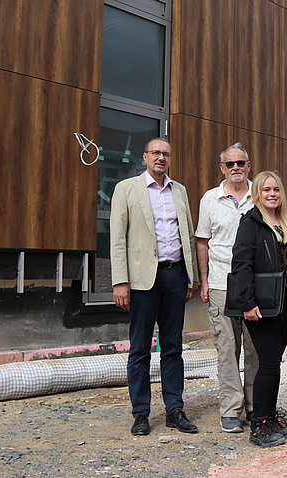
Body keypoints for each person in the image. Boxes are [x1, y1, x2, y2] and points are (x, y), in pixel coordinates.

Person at [110, 137, 199, 436]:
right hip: (142, 281)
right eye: (156, 153)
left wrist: (191, 276)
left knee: (173, 347)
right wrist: (120, 281)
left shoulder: (179, 191)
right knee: (139, 349)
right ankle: (141, 414)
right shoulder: (126, 189)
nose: (161, 158)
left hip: (175, 276)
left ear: (170, 159)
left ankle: (175, 410)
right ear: (145, 157)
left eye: (166, 154)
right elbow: (117, 238)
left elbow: (187, 235)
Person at [230, 171, 287, 448]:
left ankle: (270, 419)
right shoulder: (251, 223)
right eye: (266, 190)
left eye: (276, 189)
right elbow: (241, 265)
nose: (272, 194)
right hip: (261, 304)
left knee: (274, 362)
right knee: (267, 362)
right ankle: (259, 425)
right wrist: (247, 302)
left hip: (286, 302)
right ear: (258, 193)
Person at [195, 142, 259, 433]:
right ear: (222, 168)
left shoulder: (260, 194)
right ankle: (231, 410)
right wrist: (205, 281)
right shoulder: (210, 199)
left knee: (255, 348)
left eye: (240, 163)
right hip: (221, 283)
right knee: (227, 348)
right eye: (230, 163)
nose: (236, 168)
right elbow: (202, 242)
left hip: (255, 285)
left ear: (248, 166)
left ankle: (255, 407)